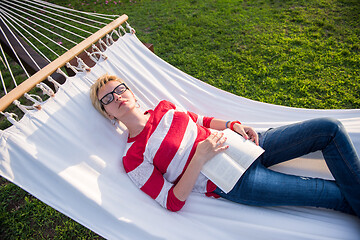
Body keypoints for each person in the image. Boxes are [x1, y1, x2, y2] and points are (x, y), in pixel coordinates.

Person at [90, 74, 360, 216]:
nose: (117, 97)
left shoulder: (165, 107)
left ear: (132, 92)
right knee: (331, 194)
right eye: (108, 99)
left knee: (330, 128)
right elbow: (171, 202)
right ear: (108, 114)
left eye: (120, 89)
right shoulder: (133, 158)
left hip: (245, 144)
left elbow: (201, 120)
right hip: (231, 179)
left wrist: (231, 124)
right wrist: (199, 157)